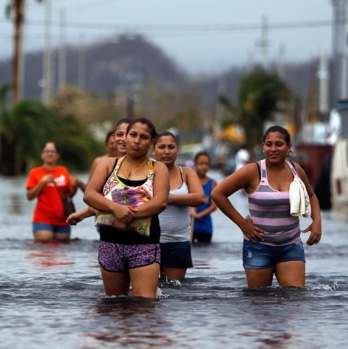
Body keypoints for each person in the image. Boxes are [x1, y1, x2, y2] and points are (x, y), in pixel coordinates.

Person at [211, 125, 322, 288]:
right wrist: (243, 224)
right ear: (263, 147)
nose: (273, 149)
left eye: (279, 144)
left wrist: (317, 221)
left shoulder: (295, 170)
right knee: (260, 301)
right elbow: (217, 194)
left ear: (289, 147)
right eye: (268, 144)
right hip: (258, 246)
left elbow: (311, 195)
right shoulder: (252, 171)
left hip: (291, 244)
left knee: (295, 297)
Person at [69, 118, 169, 298]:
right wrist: (116, 209)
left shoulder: (158, 168)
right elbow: (89, 195)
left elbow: (160, 202)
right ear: (125, 138)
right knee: (115, 304)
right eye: (133, 134)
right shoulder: (108, 164)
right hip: (110, 242)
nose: (137, 140)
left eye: (144, 137)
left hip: (143, 243)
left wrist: (127, 216)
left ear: (152, 143)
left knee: (144, 305)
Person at [153, 131, 205, 280]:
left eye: (171, 147)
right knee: (146, 293)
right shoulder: (145, 172)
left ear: (178, 150)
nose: (167, 151)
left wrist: (167, 198)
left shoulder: (186, 173)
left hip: (178, 242)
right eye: (162, 147)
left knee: (174, 292)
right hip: (148, 242)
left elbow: (200, 198)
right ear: (153, 149)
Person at [25, 142, 79, 242]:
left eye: (52, 151)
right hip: (42, 219)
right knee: (45, 244)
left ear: (57, 155)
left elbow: (69, 195)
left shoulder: (63, 171)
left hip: (63, 219)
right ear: (42, 154)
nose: (49, 154)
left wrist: (75, 186)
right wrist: (42, 183)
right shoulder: (35, 172)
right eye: (47, 151)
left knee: (62, 248)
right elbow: (29, 196)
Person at [191, 151, 217, 243]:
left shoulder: (212, 183)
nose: (204, 166)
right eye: (201, 163)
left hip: (205, 227)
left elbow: (214, 206)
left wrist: (198, 215)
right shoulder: (189, 181)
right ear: (195, 165)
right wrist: (191, 211)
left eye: (206, 164)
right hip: (190, 227)